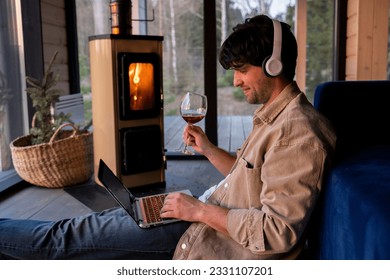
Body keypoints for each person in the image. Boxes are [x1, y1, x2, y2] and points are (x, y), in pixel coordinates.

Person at [0, 14, 336, 260]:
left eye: (242, 70)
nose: (236, 82)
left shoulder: (297, 134)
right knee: (92, 223)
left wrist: (198, 212)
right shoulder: (277, 119)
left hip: (199, 228)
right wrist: (207, 149)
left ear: (273, 65)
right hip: (199, 210)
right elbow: (248, 177)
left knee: (65, 238)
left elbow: (275, 232)